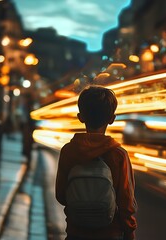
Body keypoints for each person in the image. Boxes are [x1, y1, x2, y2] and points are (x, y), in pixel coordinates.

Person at [55, 85, 137, 240]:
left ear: (81, 117)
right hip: (110, 234)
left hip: (76, 232)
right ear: (112, 119)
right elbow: (126, 202)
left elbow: (61, 195)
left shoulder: (68, 151)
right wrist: (130, 231)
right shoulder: (118, 155)